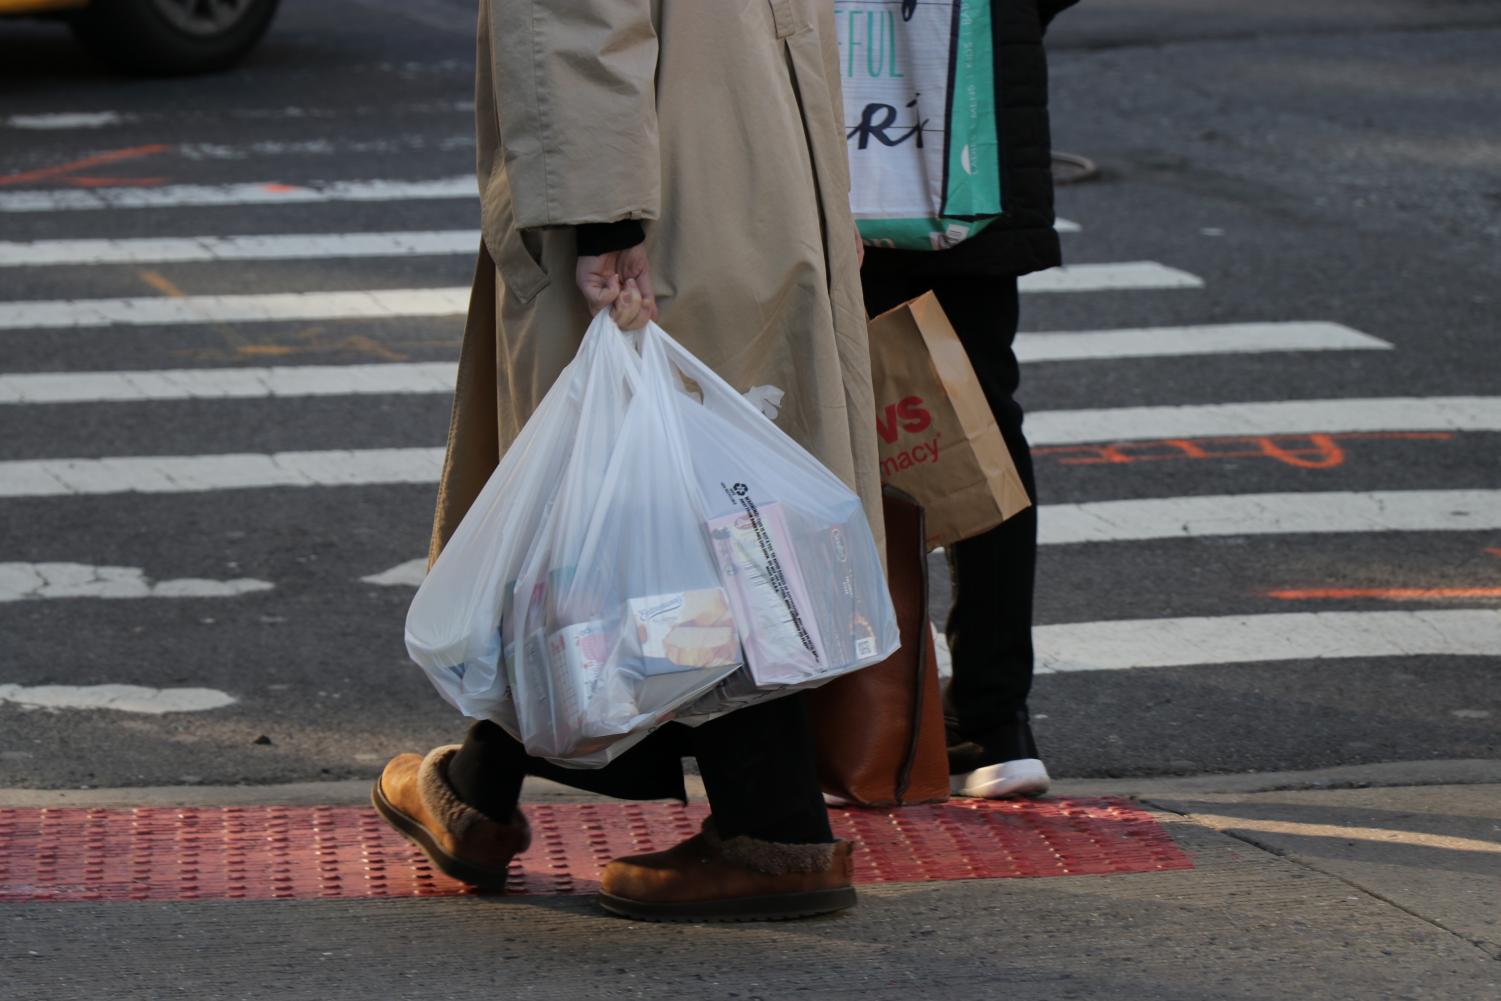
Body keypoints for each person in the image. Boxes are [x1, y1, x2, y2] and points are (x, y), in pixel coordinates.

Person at [374, 0, 884, 923]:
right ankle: (483, 792)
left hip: (658, 184)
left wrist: (603, 212)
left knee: (623, 507)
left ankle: (775, 831)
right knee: (695, 507)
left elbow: (573, 16)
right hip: (757, 165)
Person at [860, 0, 1079, 800]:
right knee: (978, 413)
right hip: (966, 138)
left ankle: (845, 721)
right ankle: (994, 717)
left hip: (828, 147)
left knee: (803, 425)